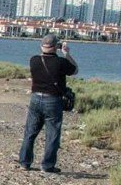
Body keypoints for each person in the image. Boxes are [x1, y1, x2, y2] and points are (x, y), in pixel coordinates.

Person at [19, 34, 78, 173]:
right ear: (56, 47)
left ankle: (24, 162)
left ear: (41, 46)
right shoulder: (61, 62)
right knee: (52, 134)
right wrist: (66, 53)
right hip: (53, 100)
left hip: (35, 98)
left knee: (30, 132)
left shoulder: (34, 60)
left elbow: (42, 57)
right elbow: (75, 70)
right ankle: (47, 165)